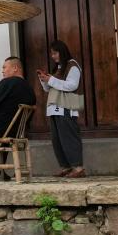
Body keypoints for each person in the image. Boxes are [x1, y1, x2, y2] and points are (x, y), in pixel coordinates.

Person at [38, 40, 85, 178]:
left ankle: (78, 168)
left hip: (67, 105)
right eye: (52, 54)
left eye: (55, 53)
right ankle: (66, 166)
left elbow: (72, 85)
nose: (53, 56)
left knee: (69, 137)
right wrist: (44, 80)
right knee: (57, 139)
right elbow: (49, 89)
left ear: (62, 51)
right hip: (55, 106)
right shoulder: (58, 68)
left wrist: (51, 80)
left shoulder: (72, 65)